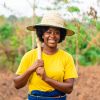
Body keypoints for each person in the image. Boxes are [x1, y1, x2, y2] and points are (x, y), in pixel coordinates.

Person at [13, 11, 78, 100]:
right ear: (42, 34)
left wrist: (46, 78)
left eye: (56, 32)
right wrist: (32, 68)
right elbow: (17, 84)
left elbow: (69, 88)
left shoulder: (66, 57)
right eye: (49, 32)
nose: (52, 36)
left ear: (60, 36)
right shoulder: (30, 55)